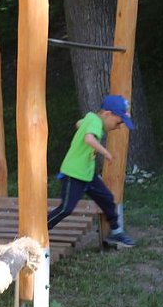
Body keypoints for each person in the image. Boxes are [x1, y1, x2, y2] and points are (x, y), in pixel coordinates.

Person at [47, 94, 137, 248]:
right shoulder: (95, 121)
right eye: (118, 122)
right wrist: (106, 153)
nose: (118, 126)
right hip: (73, 173)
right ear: (108, 114)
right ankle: (39, 231)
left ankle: (116, 232)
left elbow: (78, 123)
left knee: (107, 198)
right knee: (66, 208)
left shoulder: (91, 118)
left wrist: (83, 128)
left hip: (87, 174)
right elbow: (89, 139)